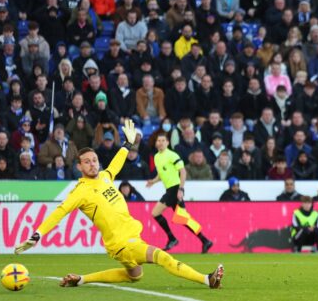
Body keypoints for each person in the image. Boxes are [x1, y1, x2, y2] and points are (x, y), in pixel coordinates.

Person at [14, 119, 223, 289]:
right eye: (86, 161)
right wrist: (38, 234)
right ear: (79, 167)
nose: (92, 163)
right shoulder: (80, 191)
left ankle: (82, 279)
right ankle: (207, 279)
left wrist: (127, 144)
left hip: (128, 238)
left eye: (94, 159)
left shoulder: (105, 176)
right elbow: (59, 213)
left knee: (134, 276)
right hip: (122, 243)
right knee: (161, 257)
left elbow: (116, 162)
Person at [146, 133, 213, 253]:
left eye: (163, 140)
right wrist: (153, 181)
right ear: (156, 143)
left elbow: (183, 171)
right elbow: (161, 174)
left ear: (167, 143)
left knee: (155, 213)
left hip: (175, 189)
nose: (160, 142)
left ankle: (172, 238)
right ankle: (205, 240)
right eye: (158, 140)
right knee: (183, 219)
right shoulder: (156, 157)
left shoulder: (172, 155)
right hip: (170, 190)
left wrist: (181, 189)